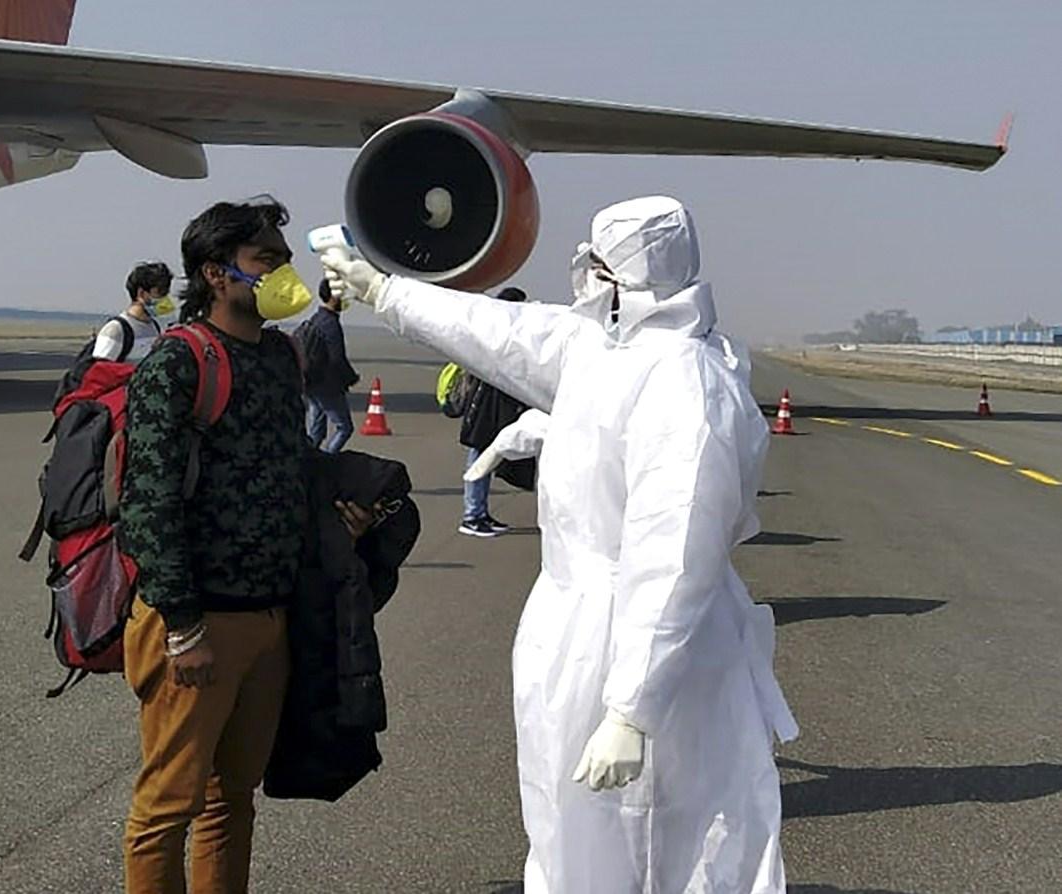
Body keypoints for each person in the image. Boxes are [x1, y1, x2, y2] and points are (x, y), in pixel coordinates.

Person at [324, 196, 798, 893]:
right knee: (565, 819)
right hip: (577, 624)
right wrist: (384, 291)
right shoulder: (607, 351)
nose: (582, 279)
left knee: (653, 832)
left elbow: (674, 558)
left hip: (642, 646)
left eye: (597, 266)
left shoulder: (684, 384)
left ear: (627, 277)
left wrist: (633, 708)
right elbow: (501, 331)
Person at [118, 197, 371, 894]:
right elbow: (149, 503)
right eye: (267, 261)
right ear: (217, 273)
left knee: (232, 799)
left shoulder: (282, 358)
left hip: (268, 619)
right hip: (197, 625)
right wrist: (183, 624)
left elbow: (286, 464)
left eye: (285, 260)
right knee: (166, 808)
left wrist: (332, 521)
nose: (283, 273)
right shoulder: (178, 361)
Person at [457, 286, 528, 538]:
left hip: (487, 407)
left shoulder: (488, 332)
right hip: (485, 408)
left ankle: (478, 512)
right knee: (479, 459)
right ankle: (472, 516)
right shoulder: (497, 336)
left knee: (483, 458)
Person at [301, 279, 360, 453]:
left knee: (316, 431)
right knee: (344, 428)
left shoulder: (315, 318)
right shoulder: (331, 324)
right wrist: (351, 377)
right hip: (327, 385)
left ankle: (308, 464)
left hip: (311, 383)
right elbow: (337, 358)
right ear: (335, 297)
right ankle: (327, 461)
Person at [93, 261, 173, 361]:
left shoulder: (155, 327)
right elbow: (99, 372)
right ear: (141, 293)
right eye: (161, 292)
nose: (165, 299)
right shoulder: (115, 330)